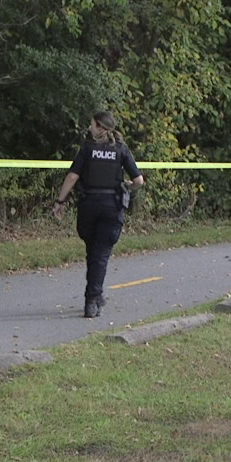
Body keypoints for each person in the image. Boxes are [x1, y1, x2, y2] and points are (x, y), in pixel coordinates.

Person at [51, 111, 144, 317]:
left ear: (100, 127)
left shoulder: (86, 149)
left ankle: (94, 295)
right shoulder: (121, 149)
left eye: (92, 124)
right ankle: (92, 299)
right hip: (111, 207)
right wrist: (127, 185)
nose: (89, 128)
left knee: (93, 252)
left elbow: (72, 177)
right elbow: (138, 181)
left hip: (88, 207)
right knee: (100, 255)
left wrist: (60, 202)